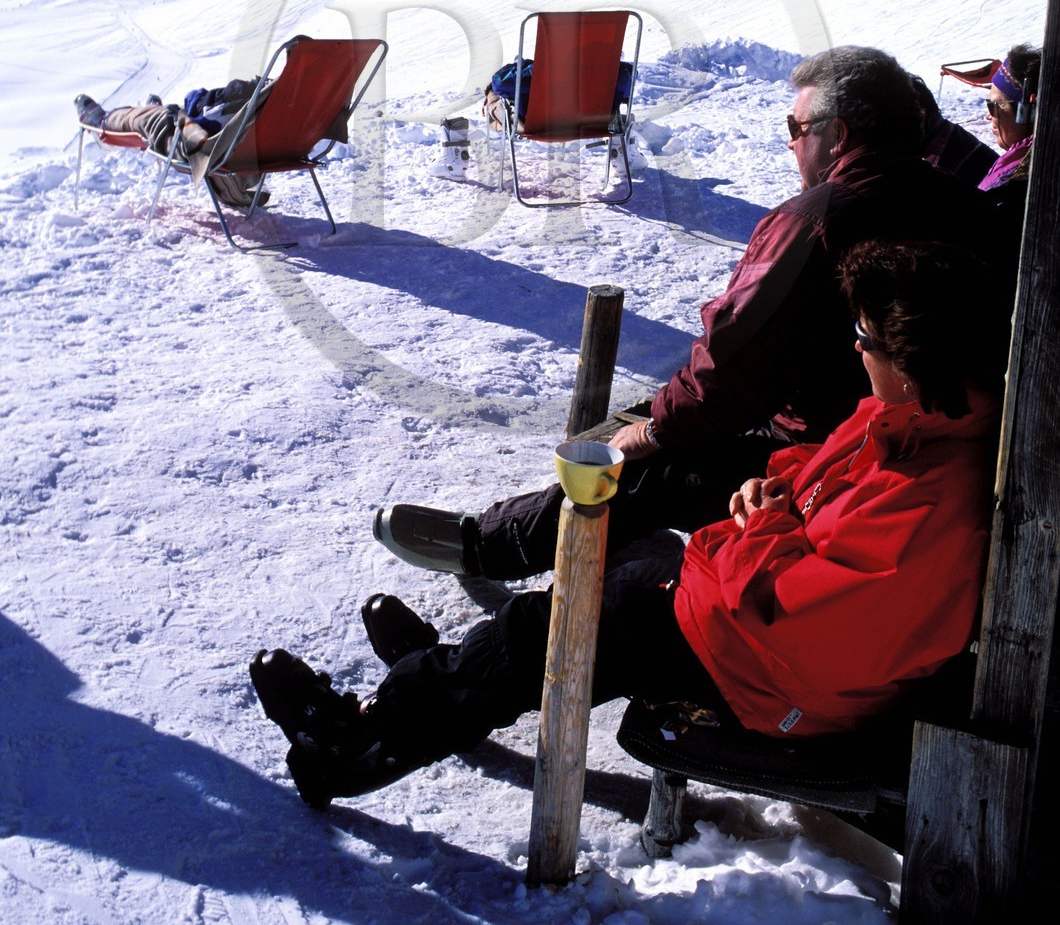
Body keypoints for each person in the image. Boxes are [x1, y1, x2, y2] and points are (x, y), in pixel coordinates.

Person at [249, 240, 1000, 810]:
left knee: (561, 626)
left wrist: (765, 528)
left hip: (771, 679)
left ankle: (355, 747)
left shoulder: (933, 505)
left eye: (864, 338)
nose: (854, 348)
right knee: (616, 576)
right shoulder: (912, 419)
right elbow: (819, 469)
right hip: (749, 630)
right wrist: (770, 487)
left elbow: (801, 622)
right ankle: (444, 679)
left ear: (911, 359)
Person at [375, 46, 1006, 582]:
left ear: (837, 134)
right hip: (928, 442)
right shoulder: (970, 208)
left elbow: (732, 366)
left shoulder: (814, 222)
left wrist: (654, 432)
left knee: (643, 466)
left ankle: (490, 547)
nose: (791, 142)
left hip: (830, 452)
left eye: (796, 127)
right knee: (660, 418)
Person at [74, 76, 272, 209]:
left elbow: (199, 107)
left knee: (157, 118)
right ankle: (152, 110)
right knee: (169, 113)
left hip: (196, 144)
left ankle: (103, 122)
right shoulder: (281, 105)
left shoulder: (260, 94)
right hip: (239, 151)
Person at [978, 44, 1039, 263]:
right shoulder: (1019, 161)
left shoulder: (1018, 183)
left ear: (1027, 112)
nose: (989, 116)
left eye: (994, 106)